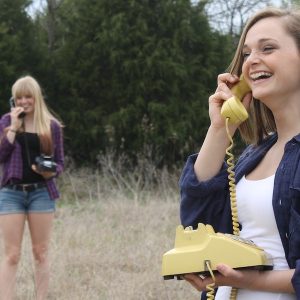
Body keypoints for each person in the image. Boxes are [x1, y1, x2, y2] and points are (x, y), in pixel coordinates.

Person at [179, 6, 300, 300]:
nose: (252, 61)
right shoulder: (253, 155)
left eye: (267, 48)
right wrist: (220, 128)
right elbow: (197, 224)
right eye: (246, 54)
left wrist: (249, 280)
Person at [0, 75, 64, 300]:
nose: (24, 101)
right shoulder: (7, 121)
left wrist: (50, 170)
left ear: (36, 97)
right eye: (19, 98)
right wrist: (13, 128)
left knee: (41, 253)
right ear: (13, 100)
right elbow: (1, 155)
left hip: (41, 193)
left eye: (28, 96)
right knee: (11, 255)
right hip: (11, 194)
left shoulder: (51, 125)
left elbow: (60, 163)